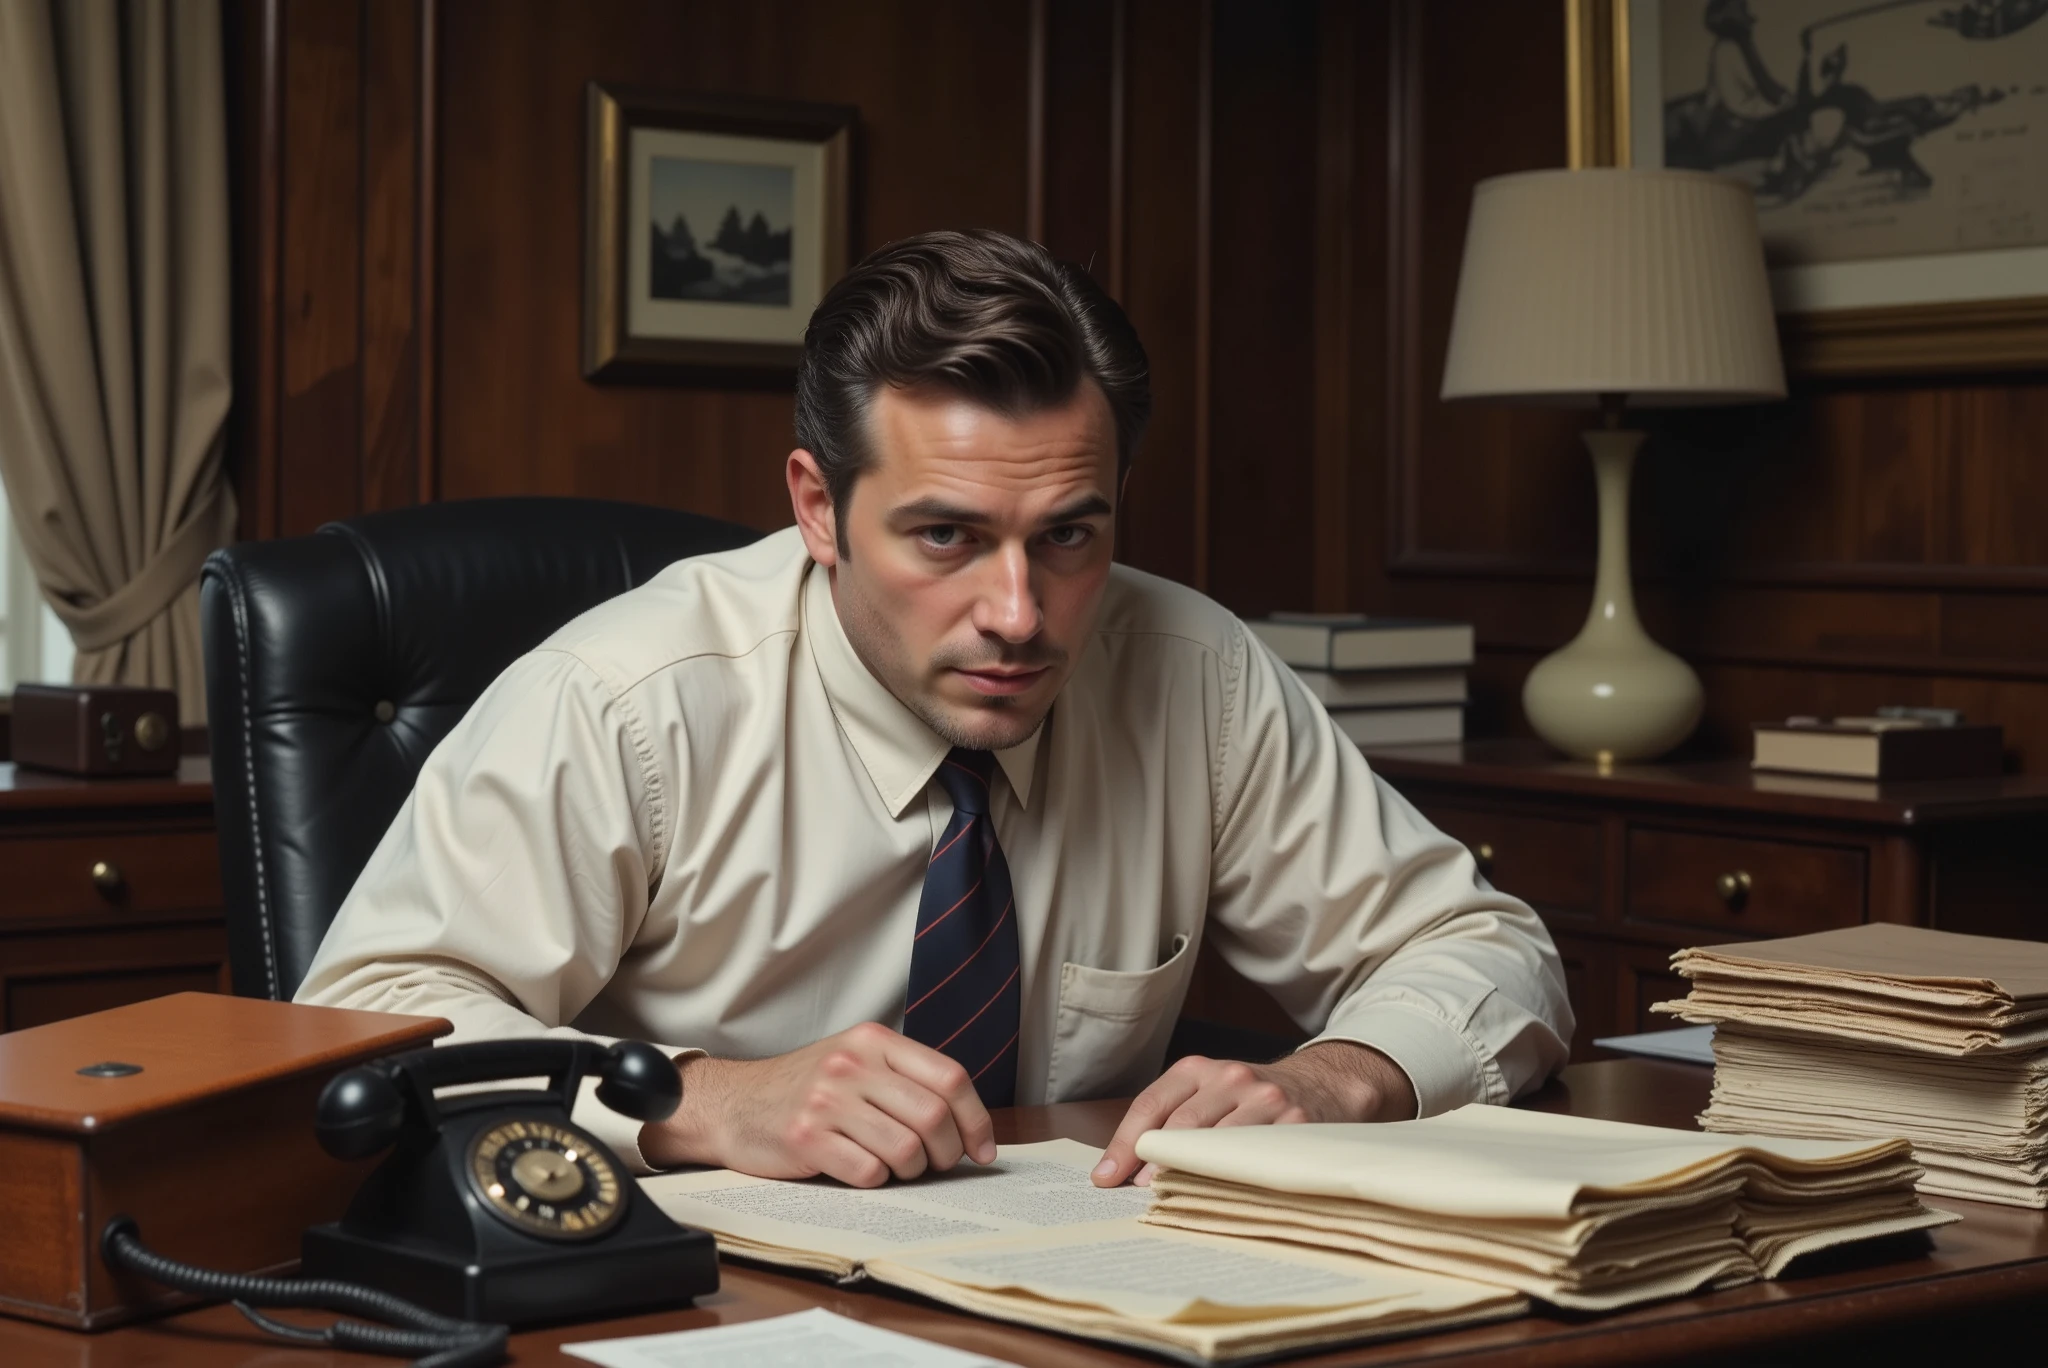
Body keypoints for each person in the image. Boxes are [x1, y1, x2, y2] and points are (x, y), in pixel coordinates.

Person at [296, 229, 1572, 1191]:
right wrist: (701, 1102)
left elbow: (1484, 949)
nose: (1018, 613)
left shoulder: (1194, 673)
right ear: (817, 509)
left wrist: (1339, 1079)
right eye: (945, 537)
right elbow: (363, 1024)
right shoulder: (630, 700)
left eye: (1067, 535)